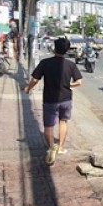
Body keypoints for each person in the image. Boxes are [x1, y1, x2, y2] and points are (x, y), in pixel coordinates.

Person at [23, 37, 82, 166]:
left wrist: (28, 88)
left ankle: (51, 148)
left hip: (50, 99)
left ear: (54, 48)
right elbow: (79, 82)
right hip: (66, 99)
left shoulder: (45, 63)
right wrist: (68, 85)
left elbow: (35, 79)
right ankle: (60, 147)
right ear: (67, 50)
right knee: (63, 121)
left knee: (48, 126)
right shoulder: (71, 65)